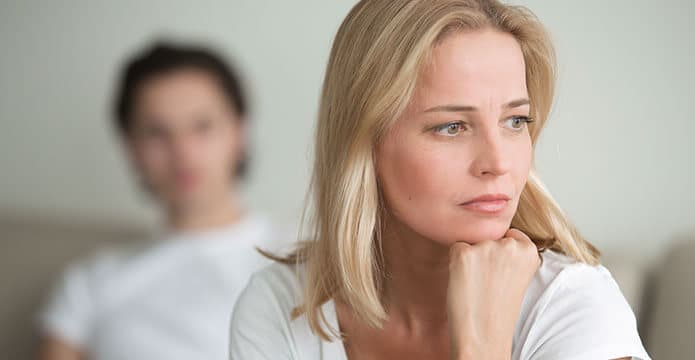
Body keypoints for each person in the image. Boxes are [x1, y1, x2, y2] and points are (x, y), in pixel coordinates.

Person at [230, 0, 651, 359]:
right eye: (452, 126)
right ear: (365, 143)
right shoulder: (280, 307)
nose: (498, 162)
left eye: (515, 120)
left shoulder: (577, 310)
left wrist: (480, 345)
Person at [38, 42, 282, 360]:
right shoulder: (90, 283)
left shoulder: (309, 262)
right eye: (157, 132)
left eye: (202, 126)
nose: (183, 152)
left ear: (239, 131)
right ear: (131, 147)